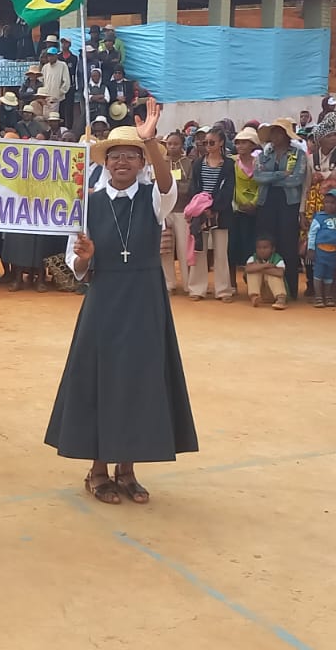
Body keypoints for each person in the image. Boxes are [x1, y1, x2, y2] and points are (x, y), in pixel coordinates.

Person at [48, 99, 195, 506]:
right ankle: (97, 470)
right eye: (115, 156)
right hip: (105, 298)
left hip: (145, 299)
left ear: (141, 162)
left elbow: (168, 187)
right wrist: (86, 257)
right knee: (100, 379)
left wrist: (150, 142)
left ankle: (127, 470)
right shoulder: (87, 203)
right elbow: (75, 265)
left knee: (139, 381)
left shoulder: (153, 198)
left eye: (131, 155)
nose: (122, 162)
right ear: (106, 162)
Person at [254, 119, 307, 300]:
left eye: (278, 132)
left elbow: (297, 179)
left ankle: (290, 288)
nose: (274, 136)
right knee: (266, 242)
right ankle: (267, 288)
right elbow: (258, 176)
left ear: (286, 135)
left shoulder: (298, 154)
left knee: (288, 244)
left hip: (288, 203)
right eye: (273, 132)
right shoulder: (264, 154)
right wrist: (281, 175)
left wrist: (271, 178)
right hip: (267, 202)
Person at [187, 126, 237, 301]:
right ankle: (196, 289)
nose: (207, 146)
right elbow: (194, 187)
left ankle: (223, 290)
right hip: (200, 213)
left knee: (221, 253)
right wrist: (201, 208)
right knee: (199, 250)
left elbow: (228, 189)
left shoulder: (229, 164)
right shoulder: (198, 163)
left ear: (221, 143)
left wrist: (214, 207)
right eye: (205, 143)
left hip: (221, 214)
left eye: (211, 142)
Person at [304, 189, 336, 307]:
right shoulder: (319, 218)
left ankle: (328, 296)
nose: (329, 205)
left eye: (333, 203)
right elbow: (312, 234)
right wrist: (311, 248)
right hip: (320, 251)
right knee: (318, 274)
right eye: (327, 202)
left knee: (329, 274)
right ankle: (318, 297)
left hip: (334, 252)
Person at [243, 236, 289, 310]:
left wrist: (259, 268)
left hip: (273, 294)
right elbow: (247, 269)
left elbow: (280, 273)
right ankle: (254, 297)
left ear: (272, 249)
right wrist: (265, 266)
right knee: (252, 272)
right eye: (259, 248)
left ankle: (281, 299)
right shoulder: (253, 258)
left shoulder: (277, 258)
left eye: (265, 248)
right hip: (261, 295)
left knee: (272, 274)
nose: (262, 250)